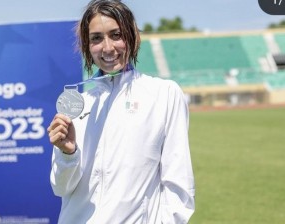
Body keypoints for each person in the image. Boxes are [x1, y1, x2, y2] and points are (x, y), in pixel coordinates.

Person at [46, 0, 195, 223]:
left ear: (132, 36)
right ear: (87, 45)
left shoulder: (164, 94)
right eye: (96, 38)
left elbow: (179, 184)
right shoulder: (79, 105)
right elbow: (61, 188)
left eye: (116, 35)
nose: (107, 48)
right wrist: (67, 154)